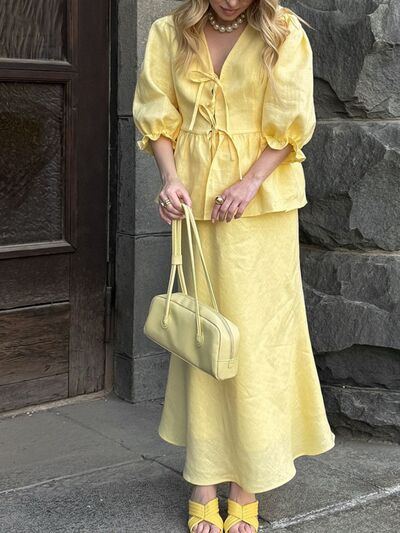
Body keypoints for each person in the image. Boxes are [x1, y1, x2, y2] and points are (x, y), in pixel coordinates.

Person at [132, 1, 336, 532]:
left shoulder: (283, 31)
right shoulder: (168, 32)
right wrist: (170, 180)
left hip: (262, 204)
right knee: (204, 337)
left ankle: (248, 480)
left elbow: (291, 121)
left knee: (257, 340)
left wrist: (249, 183)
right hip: (196, 201)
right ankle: (203, 478)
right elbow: (157, 112)